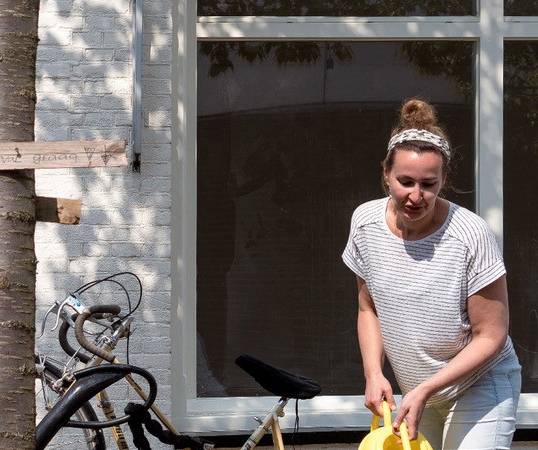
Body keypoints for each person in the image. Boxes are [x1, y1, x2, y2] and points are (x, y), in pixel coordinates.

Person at [342, 98, 521, 450]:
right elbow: (368, 309)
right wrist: (374, 373)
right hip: (418, 390)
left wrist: (426, 387)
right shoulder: (364, 224)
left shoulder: (470, 235)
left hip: (479, 384)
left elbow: (492, 334)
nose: (415, 196)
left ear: (444, 179)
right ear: (385, 174)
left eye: (428, 184)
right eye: (405, 181)